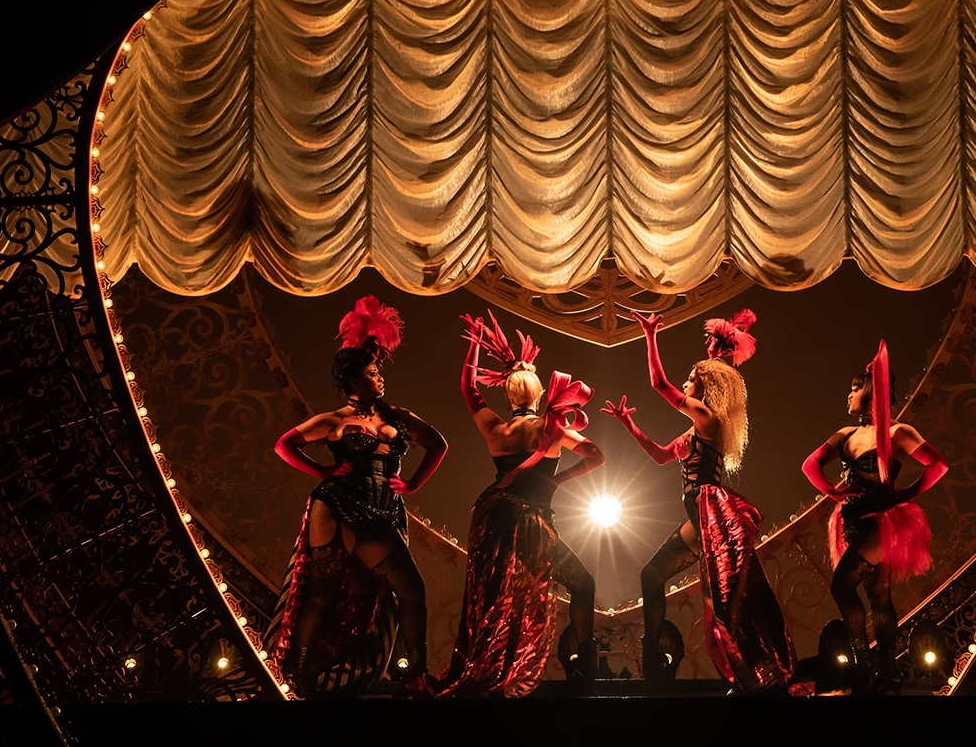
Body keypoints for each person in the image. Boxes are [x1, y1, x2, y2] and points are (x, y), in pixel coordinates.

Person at [603, 308, 794, 694]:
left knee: (727, 606)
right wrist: (630, 425)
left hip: (714, 515)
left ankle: (756, 678)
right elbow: (659, 455)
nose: (686, 384)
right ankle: (654, 661)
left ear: (704, 387)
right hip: (699, 518)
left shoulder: (710, 420)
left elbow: (659, 383)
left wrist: (650, 335)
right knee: (651, 575)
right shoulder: (694, 431)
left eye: (690, 380)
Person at [268, 296, 447, 695]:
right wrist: (322, 471)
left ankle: (418, 677)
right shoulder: (334, 420)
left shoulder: (397, 416)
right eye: (371, 372)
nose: (379, 377)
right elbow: (284, 445)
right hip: (336, 505)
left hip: (380, 513)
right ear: (353, 381)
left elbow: (438, 444)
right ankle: (297, 678)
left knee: (411, 589)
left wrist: (413, 484)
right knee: (321, 592)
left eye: (378, 370)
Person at [434, 311, 604, 696]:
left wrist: (475, 344)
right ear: (540, 394)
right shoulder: (553, 427)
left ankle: (490, 669)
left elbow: (467, 388)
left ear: (508, 394)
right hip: (531, 522)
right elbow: (597, 455)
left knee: (496, 597)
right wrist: (559, 480)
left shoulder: (496, 428)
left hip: (494, 514)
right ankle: (579, 671)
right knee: (579, 584)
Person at [800, 340, 948, 691]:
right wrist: (832, 492)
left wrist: (908, 494)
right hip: (854, 520)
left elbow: (938, 465)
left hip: (883, 524)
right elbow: (810, 464)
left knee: (842, 585)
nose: (847, 396)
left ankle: (865, 658)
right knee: (879, 596)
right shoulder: (845, 435)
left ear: (866, 392)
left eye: (852, 389)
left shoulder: (898, 433)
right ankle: (887, 667)